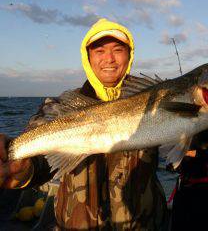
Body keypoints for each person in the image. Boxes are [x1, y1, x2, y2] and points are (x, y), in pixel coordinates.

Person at [0, 18, 168, 230]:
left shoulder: (154, 98)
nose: (109, 59)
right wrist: (22, 170)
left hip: (143, 223)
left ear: (129, 55)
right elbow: (42, 162)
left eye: (118, 49)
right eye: (99, 51)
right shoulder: (60, 106)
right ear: (87, 57)